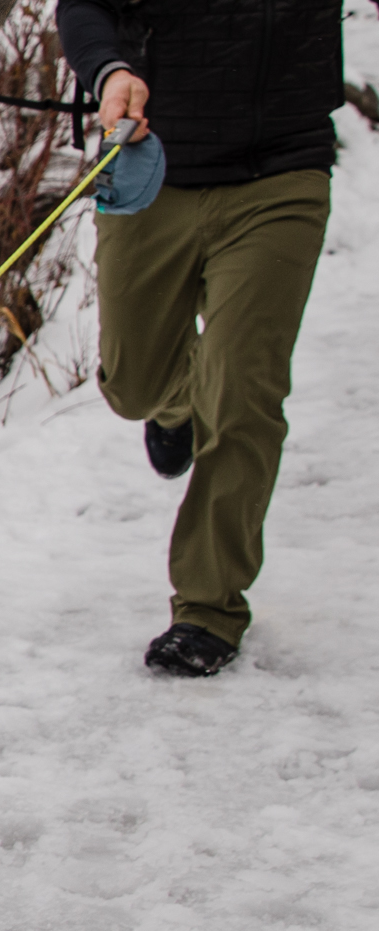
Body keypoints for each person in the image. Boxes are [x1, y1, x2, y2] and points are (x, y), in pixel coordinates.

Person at [56, 1, 345, 675]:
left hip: (282, 174)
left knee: (245, 392)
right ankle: (177, 400)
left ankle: (209, 608)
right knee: (132, 385)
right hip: (150, 164)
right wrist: (110, 70)